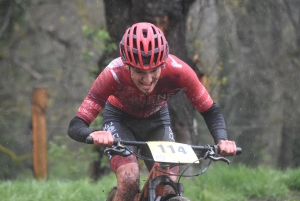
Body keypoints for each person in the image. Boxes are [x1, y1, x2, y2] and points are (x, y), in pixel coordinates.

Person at [68, 22, 237, 201]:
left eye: (154, 70)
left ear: (163, 64)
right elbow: (76, 125)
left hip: (157, 120)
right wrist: (94, 134)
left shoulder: (179, 71)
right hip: (119, 120)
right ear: (127, 65)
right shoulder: (113, 74)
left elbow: (210, 110)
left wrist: (222, 140)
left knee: (168, 182)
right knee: (129, 177)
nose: (148, 80)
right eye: (140, 72)